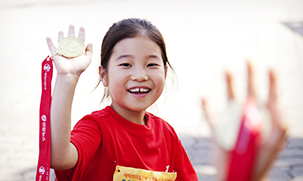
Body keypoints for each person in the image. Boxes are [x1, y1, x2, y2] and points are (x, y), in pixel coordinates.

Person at [46, 18, 288, 181]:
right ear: (104, 75)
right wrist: (68, 78)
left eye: (152, 64)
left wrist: (239, 172)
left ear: (165, 70)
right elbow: (59, 158)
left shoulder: (167, 135)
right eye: (126, 64)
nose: (140, 75)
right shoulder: (96, 128)